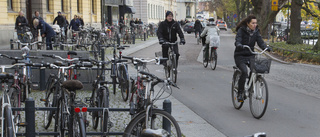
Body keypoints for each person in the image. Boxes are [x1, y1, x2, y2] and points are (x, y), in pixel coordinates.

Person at [234, 15, 271, 102]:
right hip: (240, 55)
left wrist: (265, 47)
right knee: (244, 71)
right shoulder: (241, 30)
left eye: (256, 23)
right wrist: (239, 45)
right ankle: (240, 93)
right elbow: (238, 39)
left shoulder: (256, 32)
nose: (255, 25)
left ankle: (249, 86)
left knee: (254, 69)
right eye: (253, 23)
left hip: (250, 54)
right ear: (248, 24)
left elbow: (260, 42)